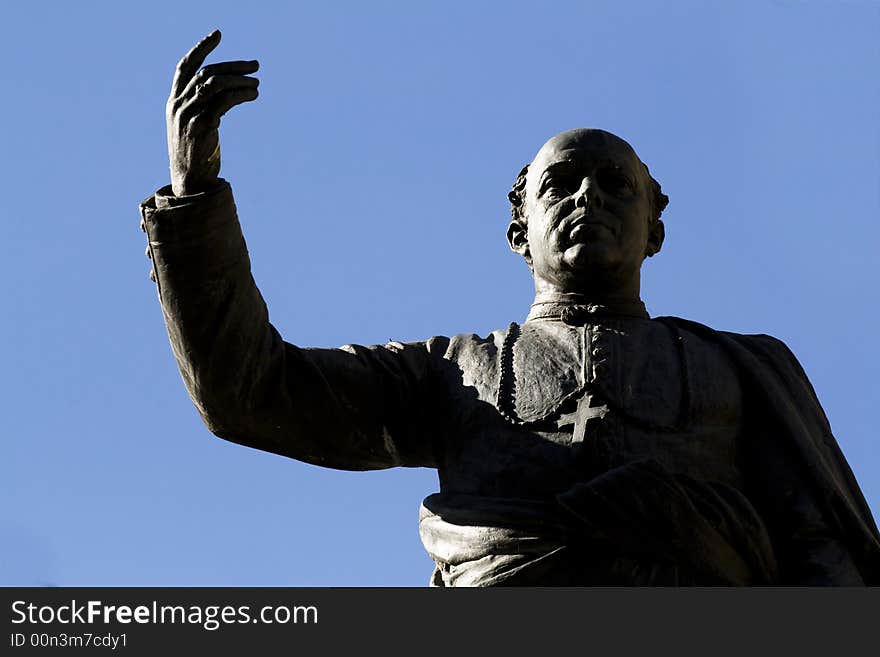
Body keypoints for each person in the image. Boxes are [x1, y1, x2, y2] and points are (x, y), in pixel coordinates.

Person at [140, 31, 880, 585]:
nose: (588, 195)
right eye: (561, 183)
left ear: (655, 225)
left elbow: (825, 553)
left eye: (614, 183)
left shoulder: (742, 369)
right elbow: (248, 391)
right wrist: (194, 196)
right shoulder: (447, 374)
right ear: (519, 228)